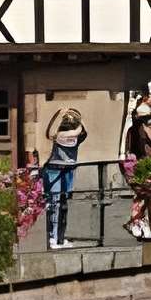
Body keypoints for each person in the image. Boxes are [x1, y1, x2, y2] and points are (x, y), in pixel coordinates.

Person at [41, 106, 88, 249]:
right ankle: (54, 238)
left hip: (61, 169)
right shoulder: (69, 135)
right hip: (56, 170)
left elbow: (50, 132)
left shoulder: (61, 135)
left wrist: (59, 114)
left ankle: (59, 238)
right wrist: (78, 117)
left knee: (60, 204)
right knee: (57, 204)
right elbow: (83, 131)